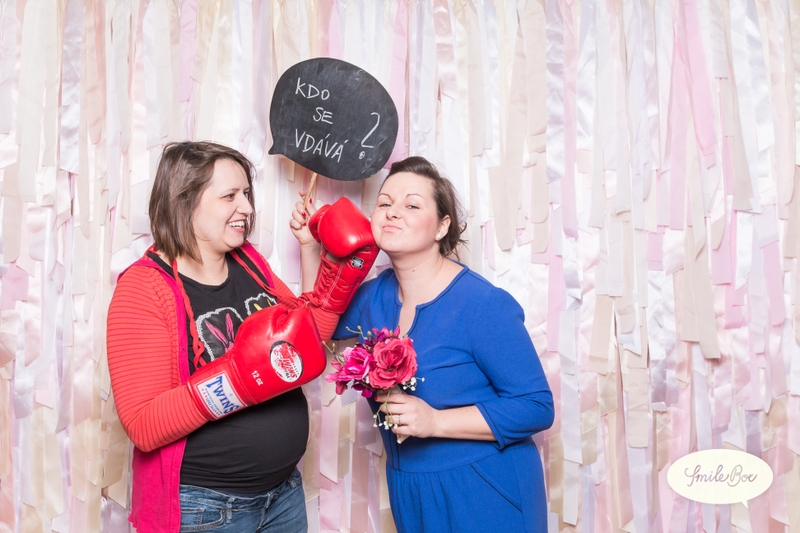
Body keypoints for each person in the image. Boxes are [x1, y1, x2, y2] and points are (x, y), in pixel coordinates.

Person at [106, 141, 377, 533]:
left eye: (246, 194)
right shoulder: (143, 289)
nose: (247, 208)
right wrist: (234, 380)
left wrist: (336, 274)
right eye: (230, 196)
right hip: (207, 509)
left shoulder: (247, 260)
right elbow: (143, 425)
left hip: (283, 493)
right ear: (185, 202)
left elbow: (305, 344)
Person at [331, 156, 555, 532]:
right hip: (410, 488)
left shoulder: (482, 304)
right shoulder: (373, 297)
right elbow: (319, 326)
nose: (392, 212)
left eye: (412, 205)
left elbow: (537, 407)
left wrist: (435, 421)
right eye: (384, 203)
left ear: (442, 226)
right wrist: (312, 248)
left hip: (485, 488)